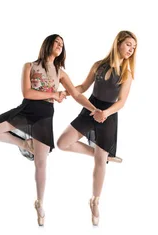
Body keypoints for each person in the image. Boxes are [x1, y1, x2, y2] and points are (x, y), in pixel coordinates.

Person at [0, 34, 99, 226]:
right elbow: (27, 92)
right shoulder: (29, 66)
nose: (60, 45)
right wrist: (54, 93)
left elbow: (77, 93)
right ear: (48, 43)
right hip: (25, 109)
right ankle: (24, 144)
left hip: (45, 116)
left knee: (41, 163)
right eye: (57, 42)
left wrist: (93, 109)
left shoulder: (60, 72)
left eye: (62, 44)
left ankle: (40, 203)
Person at [56, 31, 137, 225]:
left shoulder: (127, 74)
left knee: (100, 163)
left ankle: (95, 201)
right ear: (118, 43)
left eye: (133, 48)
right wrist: (66, 93)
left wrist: (105, 113)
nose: (130, 50)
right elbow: (83, 87)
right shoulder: (99, 65)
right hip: (89, 109)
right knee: (62, 142)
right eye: (128, 45)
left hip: (108, 116)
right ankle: (102, 154)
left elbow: (121, 102)